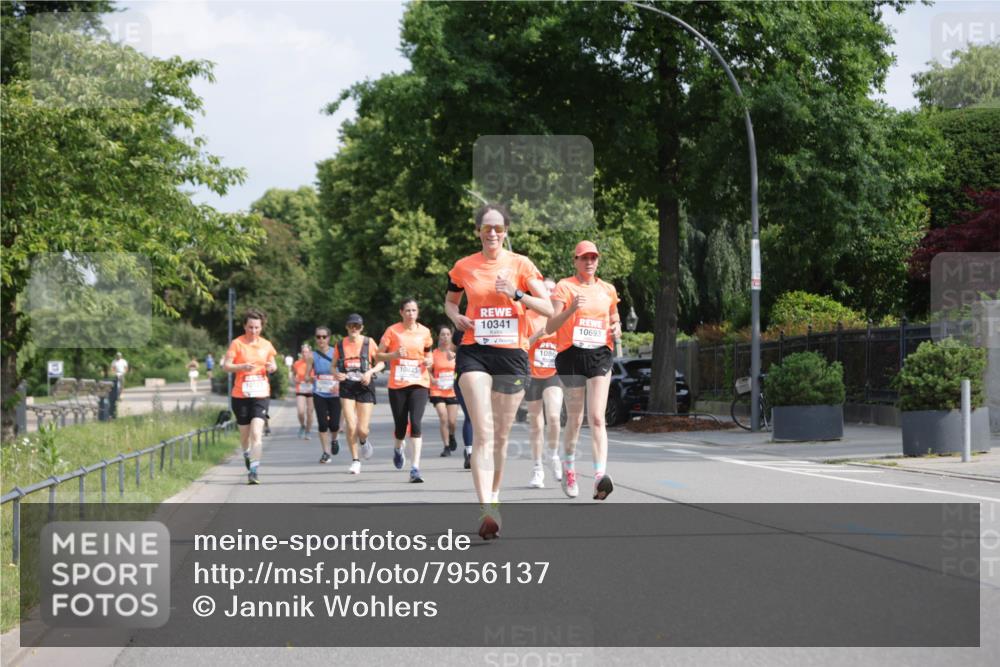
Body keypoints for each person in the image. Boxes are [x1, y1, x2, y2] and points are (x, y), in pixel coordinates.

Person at [445, 203, 552, 539]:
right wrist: (456, 317)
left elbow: (549, 307)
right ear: (477, 231)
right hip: (474, 350)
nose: (492, 233)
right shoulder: (464, 266)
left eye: (498, 228)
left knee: (501, 435)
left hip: (511, 354)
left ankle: (495, 496)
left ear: (506, 232)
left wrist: (517, 293)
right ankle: (486, 508)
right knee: (484, 431)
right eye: (486, 227)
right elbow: (450, 301)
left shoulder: (521, 264)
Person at [546, 241, 621, 501]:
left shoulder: (607, 289)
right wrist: (571, 309)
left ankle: (600, 476)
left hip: (600, 353)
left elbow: (615, 319)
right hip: (571, 355)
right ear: (575, 261)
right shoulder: (564, 287)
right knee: (576, 419)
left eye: (593, 258)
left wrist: (617, 328)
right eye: (584, 258)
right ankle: (569, 469)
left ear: (598, 261)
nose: (589, 262)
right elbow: (550, 326)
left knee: (598, 417)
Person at [377, 298, 434, 483]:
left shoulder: (425, 332)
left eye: (414, 310)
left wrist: (430, 361)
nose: (411, 314)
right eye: (407, 310)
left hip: (419, 382)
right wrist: (393, 355)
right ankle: (397, 448)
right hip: (398, 384)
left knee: (415, 423)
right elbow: (378, 355)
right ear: (401, 312)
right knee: (401, 425)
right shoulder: (392, 331)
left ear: (418, 312)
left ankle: (415, 468)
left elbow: (428, 353)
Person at [222, 308, 277, 485]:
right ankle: (247, 453)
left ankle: (254, 471)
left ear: (261, 327)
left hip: (261, 394)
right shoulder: (237, 344)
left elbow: (273, 365)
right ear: (245, 326)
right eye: (250, 327)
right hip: (241, 395)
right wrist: (241, 367)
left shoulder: (266, 345)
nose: (253, 331)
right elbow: (226, 366)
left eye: (257, 327)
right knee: (245, 436)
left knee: (256, 433)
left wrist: (271, 368)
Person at [332, 314, 385, 475]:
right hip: (347, 386)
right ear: (346, 327)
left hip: (364, 385)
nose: (354, 328)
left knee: (362, 429)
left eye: (357, 326)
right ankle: (355, 460)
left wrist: (370, 372)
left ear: (361, 328)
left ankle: (363, 440)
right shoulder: (340, 344)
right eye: (351, 325)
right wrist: (336, 374)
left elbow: (381, 363)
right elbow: (332, 366)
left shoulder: (369, 342)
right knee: (351, 424)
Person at [524, 278, 563, 488]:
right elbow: (521, 345)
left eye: (551, 290)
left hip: (553, 374)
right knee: (536, 424)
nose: (548, 293)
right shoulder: (528, 316)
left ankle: (553, 455)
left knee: (554, 417)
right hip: (532, 375)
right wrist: (538, 334)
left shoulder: (560, 317)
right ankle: (537, 468)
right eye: (544, 290)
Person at [306, 326, 343, 463]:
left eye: (324, 337)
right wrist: (311, 378)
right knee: (322, 424)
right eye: (318, 337)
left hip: (334, 393)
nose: (321, 339)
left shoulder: (336, 353)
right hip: (319, 393)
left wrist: (338, 382)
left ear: (329, 338)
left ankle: (334, 439)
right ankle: (326, 453)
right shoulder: (311, 356)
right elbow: (306, 376)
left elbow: (342, 372)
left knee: (334, 425)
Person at [429, 325, 459, 459]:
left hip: (452, 391)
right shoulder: (434, 354)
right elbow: (427, 370)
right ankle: (446, 447)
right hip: (437, 390)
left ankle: (451, 435)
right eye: (443, 334)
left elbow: (461, 370)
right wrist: (432, 379)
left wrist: (456, 378)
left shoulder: (455, 354)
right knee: (443, 417)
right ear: (438, 337)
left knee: (452, 422)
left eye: (448, 334)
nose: (445, 337)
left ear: (451, 336)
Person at [292, 344, 315, 440]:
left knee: (310, 411)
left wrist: (311, 379)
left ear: (310, 353)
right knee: (300, 411)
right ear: (301, 353)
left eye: (307, 352)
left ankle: (308, 431)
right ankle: (302, 425)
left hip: (311, 389)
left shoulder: (314, 363)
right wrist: (295, 380)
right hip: (300, 389)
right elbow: (294, 374)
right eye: (303, 352)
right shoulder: (297, 363)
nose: (305, 354)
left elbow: (318, 376)